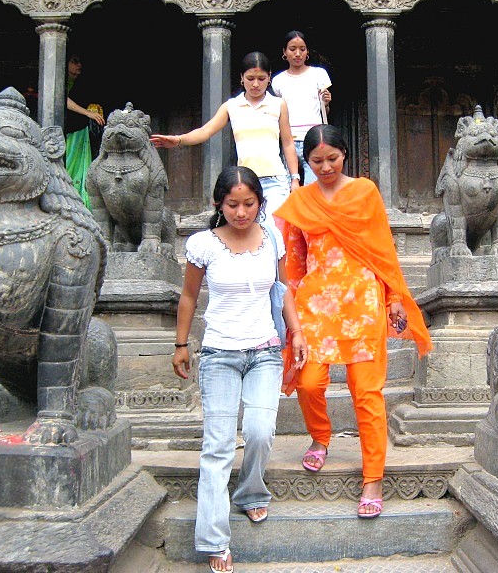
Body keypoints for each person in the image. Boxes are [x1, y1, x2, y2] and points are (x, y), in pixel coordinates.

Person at [274, 124, 432, 519]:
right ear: (305, 162)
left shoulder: (364, 192)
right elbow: (292, 263)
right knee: (309, 382)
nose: (325, 167)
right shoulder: (299, 202)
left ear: (345, 154)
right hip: (314, 306)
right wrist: (289, 317)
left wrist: (394, 296)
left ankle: (373, 478)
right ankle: (320, 438)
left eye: (332, 158)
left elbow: (382, 248)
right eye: (316, 161)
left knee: (367, 392)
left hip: (362, 301)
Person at [173, 166, 307, 573]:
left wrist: (296, 332)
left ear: (260, 204)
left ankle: (250, 492)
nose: (241, 212)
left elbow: (282, 292)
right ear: (219, 204)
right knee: (216, 445)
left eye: (249, 203)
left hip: (264, 350)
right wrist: (181, 345)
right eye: (233, 204)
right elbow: (188, 297)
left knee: (260, 432)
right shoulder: (203, 245)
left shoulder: (273, 240)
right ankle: (214, 539)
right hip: (218, 354)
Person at [151, 51, 300, 226]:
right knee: (248, 229)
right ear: (242, 78)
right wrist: (178, 140)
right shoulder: (232, 106)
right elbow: (206, 131)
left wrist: (294, 179)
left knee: (275, 229)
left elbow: (288, 143)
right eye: (250, 78)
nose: (255, 84)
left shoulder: (278, 104)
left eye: (261, 78)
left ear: (269, 78)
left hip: (275, 179)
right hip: (245, 181)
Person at [271, 30, 332, 185]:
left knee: (313, 187)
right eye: (292, 49)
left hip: (314, 140)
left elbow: (325, 112)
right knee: (287, 187)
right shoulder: (278, 81)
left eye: (302, 49)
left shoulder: (319, 74)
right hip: (288, 140)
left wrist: (326, 103)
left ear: (307, 52)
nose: (297, 53)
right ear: (284, 52)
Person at [64, 54, 104, 208]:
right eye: (74, 62)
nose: (78, 66)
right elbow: (62, 98)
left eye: (80, 62)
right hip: (67, 130)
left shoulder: (83, 83)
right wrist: (87, 113)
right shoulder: (58, 79)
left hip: (80, 131)